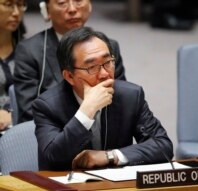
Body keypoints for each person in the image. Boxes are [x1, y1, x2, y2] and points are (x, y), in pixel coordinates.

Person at [32, 27, 173, 170]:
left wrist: (111, 156)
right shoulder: (47, 106)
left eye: (108, 62)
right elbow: (53, 157)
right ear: (69, 76)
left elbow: (163, 145)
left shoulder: (130, 96)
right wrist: (86, 111)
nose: (105, 74)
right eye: (92, 67)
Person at [13, 0, 126, 124]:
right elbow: (30, 112)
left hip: (105, 132)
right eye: (62, 3)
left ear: (89, 5)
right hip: (54, 133)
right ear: (46, 10)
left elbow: (122, 100)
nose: (72, 9)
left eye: (78, 1)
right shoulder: (29, 51)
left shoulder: (108, 47)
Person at [0, 0, 26, 131]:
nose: (16, 12)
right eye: (8, 5)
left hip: (21, 127)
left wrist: (14, 115)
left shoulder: (30, 49)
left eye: (20, 5)